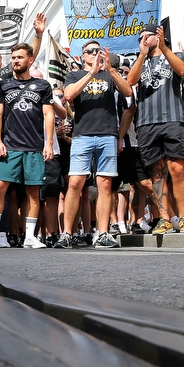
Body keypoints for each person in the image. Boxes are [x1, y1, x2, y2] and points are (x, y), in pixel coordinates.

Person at [57, 40, 133, 249]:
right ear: (82, 56)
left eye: (97, 51)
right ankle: (66, 234)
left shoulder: (110, 74)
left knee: (105, 185)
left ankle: (103, 233)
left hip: (107, 133)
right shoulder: (75, 75)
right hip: (83, 135)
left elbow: (128, 92)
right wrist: (91, 72)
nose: (94, 53)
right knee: (74, 183)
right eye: (89, 51)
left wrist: (109, 69)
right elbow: (69, 96)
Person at [0, 43, 54, 249]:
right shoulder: (3, 86)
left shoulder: (43, 85)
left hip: (34, 147)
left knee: (33, 192)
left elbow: (48, 114)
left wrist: (49, 143)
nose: (15, 60)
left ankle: (30, 237)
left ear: (30, 60)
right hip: (10, 146)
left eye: (20, 57)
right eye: (13, 57)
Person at [127, 25, 184, 234]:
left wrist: (165, 47)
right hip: (147, 123)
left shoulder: (172, 55)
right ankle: (164, 218)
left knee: (178, 168)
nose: (143, 40)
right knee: (156, 173)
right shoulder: (138, 60)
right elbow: (131, 81)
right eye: (140, 38)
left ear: (158, 36)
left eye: (146, 36)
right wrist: (142, 54)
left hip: (173, 119)